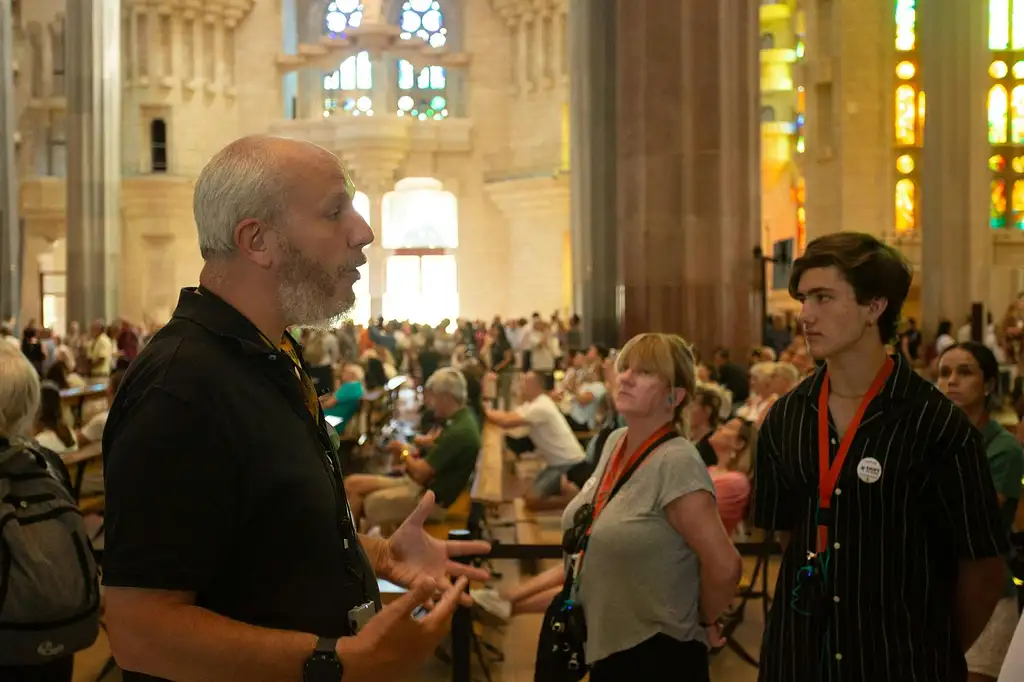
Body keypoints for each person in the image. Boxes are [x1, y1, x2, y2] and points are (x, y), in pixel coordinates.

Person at [101, 135, 490, 682]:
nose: (364, 232)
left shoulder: (266, 354)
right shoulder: (181, 387)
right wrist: (340, 661)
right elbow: (140, 632)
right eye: (335, 212)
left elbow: (261, 536)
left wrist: (375, 556)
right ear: (257, 240)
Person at [754, 232, 1009, 682]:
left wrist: (926, 649)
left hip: (899, 663)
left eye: (824, 297)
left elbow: (983, 568)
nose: (806, 315)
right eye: (803, 299)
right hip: (801, 658)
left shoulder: (937, 425)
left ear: (875, 307)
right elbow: (788, 536)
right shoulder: (786, 418)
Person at [486, 333, 742, 679]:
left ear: (675, 396)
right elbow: (592, 540)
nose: (626, 377)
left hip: (657, 654)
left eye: (646, 372)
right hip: (608, 643)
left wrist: (701, 618)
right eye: (625, 368)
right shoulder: (617, 442)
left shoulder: (677, 461)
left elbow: (725, 566)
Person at [938, 342, 1024, 682]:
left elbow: (971, 515)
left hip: (986, 590)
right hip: (936, 586)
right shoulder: (934, 440)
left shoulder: (1003, 447)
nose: (952, 381)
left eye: (965, 372)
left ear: (987, 384)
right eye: (945, 373)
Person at [344, 367, 481, 530]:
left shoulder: (460, 431)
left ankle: (357, 548)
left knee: (368, 501)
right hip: (421, 488)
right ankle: (360, 545)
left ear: (446, 397)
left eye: (434, 397)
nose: (431, 403)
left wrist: (403, 451)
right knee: (351, 484)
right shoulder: (461, 418)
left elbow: (420, 473)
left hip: (430, 501)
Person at [484, 371, 587, 510]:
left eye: (524, 384)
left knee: (531, 502)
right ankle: (565, 490)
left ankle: (576, 503)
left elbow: (506, 421)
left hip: (567, 463)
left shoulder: (541, 406)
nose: (521, 387)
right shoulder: (535, 403)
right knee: (527, 495)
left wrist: (481, 411)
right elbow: (506, 415)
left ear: (535, 387)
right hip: (555, 463)